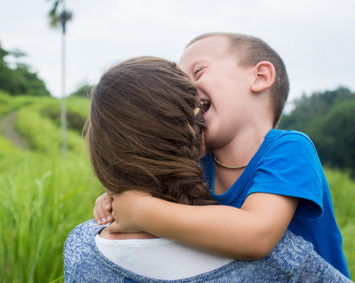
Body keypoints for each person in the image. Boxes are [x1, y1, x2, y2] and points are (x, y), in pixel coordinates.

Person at [64, 56, 351, 282]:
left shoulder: (289, 147)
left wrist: (139, 209)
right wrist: (119, 194)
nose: (190, 85)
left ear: (260, 76)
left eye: (197, 71)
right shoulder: (205, 162)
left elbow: (256, 234)